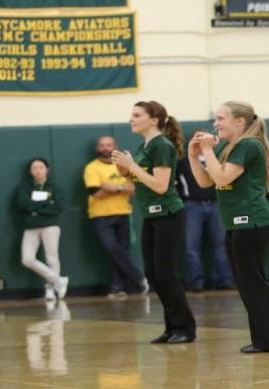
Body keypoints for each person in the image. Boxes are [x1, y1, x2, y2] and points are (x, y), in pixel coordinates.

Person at [190, 101, 269, 353]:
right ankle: (266, 338)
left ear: (239, 122)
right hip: (236, 223)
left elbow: (222, 177)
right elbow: (206, 181)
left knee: (254, 283)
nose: (215, 124)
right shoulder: (229, 147)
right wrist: (194, 156)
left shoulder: (248, 145)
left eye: (220, 119)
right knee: (247, 284)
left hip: (252, 221)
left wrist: (208, 150)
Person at [112, 101, 197, 344]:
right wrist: (124, 169)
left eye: (137, 115)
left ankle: (185, 328)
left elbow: (160, 186)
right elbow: (138, 178)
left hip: (168, 213)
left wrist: (132, 167)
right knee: (153, 273)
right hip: (151, 215)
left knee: (166, 273)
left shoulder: (161, 145)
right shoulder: (145, 145)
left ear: (154, 119)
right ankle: (171, 327)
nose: (132, 118)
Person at [84, 136, 147, 299]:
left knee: (122, 251)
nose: (105, 148)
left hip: (123, 212)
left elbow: (134, 188)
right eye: (102, 145)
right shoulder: (92, 168)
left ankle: (117, 287)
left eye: (109, 145)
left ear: (115, 146)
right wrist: (121, 188)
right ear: (98, 148)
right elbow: (96, 193)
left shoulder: (123, 166)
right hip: (100, 215)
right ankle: (138, 277)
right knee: (112, 249)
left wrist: (113, 187)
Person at [177, 131, 234, 292]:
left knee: (220, 245)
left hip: (215, 204)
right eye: (198, 137)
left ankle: (225, 279)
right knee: (191, 246)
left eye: (205, 137)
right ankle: (196, 282)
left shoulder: (217, 159)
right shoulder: (182, 162)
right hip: (192, 206)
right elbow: (175, 185)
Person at [16, 158, 67, 301]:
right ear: (30, 171)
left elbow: (57, 207)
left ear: (47, 169)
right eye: (34, 168)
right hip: (31, 226)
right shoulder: (24, 187)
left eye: (41, 167)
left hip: (50, 225)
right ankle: (58, 281)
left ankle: (50, 290)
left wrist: (35, 208)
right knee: (27, 259)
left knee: (52, 257)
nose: (38, 170)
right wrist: (45, 204)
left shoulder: (54, 187)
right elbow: (23, 204)